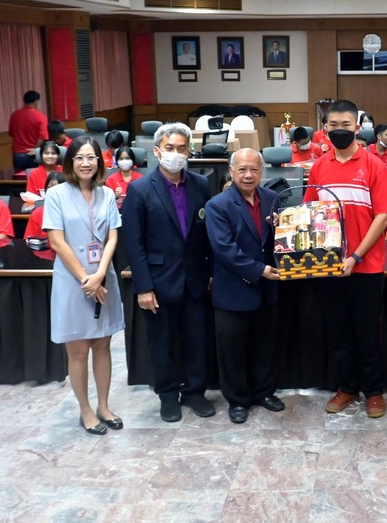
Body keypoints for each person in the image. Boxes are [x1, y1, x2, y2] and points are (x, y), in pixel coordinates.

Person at [306, 100, 387, 419]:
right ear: (325, 128)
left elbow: (384, 215)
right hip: (328, 265)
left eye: (346, 125)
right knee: (339, 329)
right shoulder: (319, 166)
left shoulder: (373, 164)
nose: (340, 131)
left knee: (367, 330)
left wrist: (356, 255)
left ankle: (373, 391)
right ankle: (347, 387)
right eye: (333, 126)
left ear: (358, 128)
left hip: (366, 265)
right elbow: (310, 212)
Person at [122, 122, 215, 423]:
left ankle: (195, 393)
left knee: (196, 340)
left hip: (196, 279)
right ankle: (167, 396)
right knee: (161, 344)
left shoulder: (201, 185)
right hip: (158, 283)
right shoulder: (138, 189)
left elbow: (207, 235)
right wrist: (143, 287)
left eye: (181, 148)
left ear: (190, 151)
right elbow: (133, 244)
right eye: (170, 148)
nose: (176, 154)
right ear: (158, 150)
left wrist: (211, 273)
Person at [43, 137, 124, 435]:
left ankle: (104, 406)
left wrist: (101, 274)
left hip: (104, 277)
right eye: (79, 158)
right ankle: (86, 410)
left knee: (103, 345)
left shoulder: (106, 194)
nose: (86, 163)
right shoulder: (57, 195)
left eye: (91, 157)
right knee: (78, 350)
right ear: (70, 163)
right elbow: (56, 241)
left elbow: (113, 236)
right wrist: (85, 280)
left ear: (99, 162)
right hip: (72, 281)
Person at [206, 148, 284, 424]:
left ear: (262, 172)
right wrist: (259, 270)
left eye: (254, 169)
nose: (249, 175)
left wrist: (281, 227)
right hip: (234, 289)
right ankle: (237, 400)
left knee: (265, 345)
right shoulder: (218, 205)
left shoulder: (272, 198)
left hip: (267, 290)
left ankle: (264, 392)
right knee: (232, 350)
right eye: (242, 169)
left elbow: (280, 240)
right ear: (231, 171)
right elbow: (224, 249)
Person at [8, 90, 48, 171]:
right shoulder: (41, 116)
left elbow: (11, 133)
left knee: (19, 180)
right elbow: (42, 137)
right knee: (35, 180)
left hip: (18, 154)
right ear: (36, 102)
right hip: (33, 154)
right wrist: (35, 150)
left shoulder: (14, 115)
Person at [25, 171, 65, 243]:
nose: (53, 192)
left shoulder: (74, 212)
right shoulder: (37, 213)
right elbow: (30, 241)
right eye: (50, 189)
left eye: (57, 188)